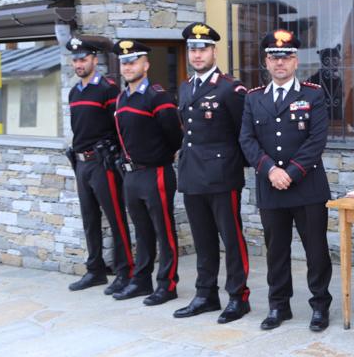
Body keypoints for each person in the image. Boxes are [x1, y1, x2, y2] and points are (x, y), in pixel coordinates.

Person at [239, 28, 333, 332]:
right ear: (266, 62)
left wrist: (289, 173)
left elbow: (317, 140)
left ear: (296, 61)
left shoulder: (313, 94)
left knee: (316, 250)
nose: (280, 63)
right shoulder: (254, 99)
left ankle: (320, 306)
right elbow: (247, 139)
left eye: (287, 57)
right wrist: (270, 170)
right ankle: (279, 305)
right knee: (276, 250)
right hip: (271, 188)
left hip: (308, 186)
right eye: (274, 57)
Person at [174, 23, 251, 324]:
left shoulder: (231, 88)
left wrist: (236, 168)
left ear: (214, 51)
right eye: (192, 48)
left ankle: (238, 296)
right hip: (192, 173)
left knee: (231, 238)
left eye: (202, 48)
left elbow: (242, 133)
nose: (197, 54)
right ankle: (206, 294)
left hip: (222, 174)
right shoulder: (185, 86)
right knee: (202, 239)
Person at [110, 39, 184, 305]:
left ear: (146, 64)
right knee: (142, 231)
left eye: (133, 61)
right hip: (131, 175)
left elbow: (174, 135)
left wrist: (160, 156)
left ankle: (167, 285)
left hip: (156, 173)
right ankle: (141, 281)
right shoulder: (122, 96)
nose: (128, 67)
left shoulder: (157, 96)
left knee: (164, 232)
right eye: (124, 62)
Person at [64, 36, 133, 295]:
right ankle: (95, 270)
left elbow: (118, 127)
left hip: (103, 163)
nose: (79, 64)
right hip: (81, 164)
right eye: (75, 60)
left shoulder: (107, 89)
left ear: (94, 59)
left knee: (116, 219)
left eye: (83, 59)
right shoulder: (74, 91)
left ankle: (126, 271)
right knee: (90, 219)